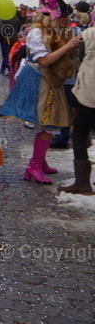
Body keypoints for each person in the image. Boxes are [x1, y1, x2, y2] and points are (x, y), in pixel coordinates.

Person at [0, 0, 80, 184]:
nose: (64, 23)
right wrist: (67, 46)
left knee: (48, 123)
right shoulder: (37, 32)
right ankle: (33, 166)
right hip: (39, 80)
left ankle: (39, 162)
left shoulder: (50, 30)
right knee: (48, 122)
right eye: (62, 20)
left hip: (48, 80)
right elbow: (44, 60)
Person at [59, 19, 95, 194]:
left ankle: (82, 183)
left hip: (90, 93)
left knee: (79, 134)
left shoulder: (88, 34)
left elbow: (78, 58)